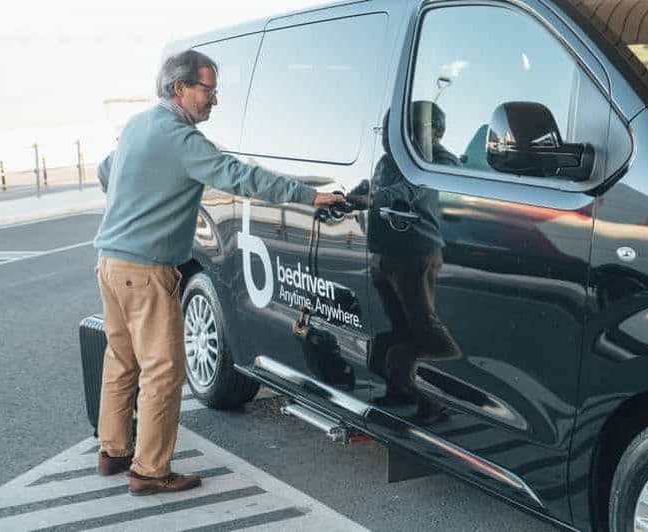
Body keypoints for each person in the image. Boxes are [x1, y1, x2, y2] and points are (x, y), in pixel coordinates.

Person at [93, 49, 343, 495]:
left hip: (110, 262)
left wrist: (135, 205)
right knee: (164, 371)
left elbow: (105, 171)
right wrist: (309, 196)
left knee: (121, 358)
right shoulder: (180, 138)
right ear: (179, 89)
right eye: (207, 91)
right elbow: (237, 176)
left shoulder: (137, 125)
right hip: (146, 270)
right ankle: (149, 471)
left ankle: (112, 450)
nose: (213, 101)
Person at [366, 104, 462, 424]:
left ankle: (436, 400)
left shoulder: (435, 160)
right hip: (385, 254)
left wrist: (379, 198)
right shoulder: (389, 160)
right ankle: (400, 390)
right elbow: (374, 189)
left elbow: (414, 187)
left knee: (424, 328)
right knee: (398, 327)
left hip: (415, 254)